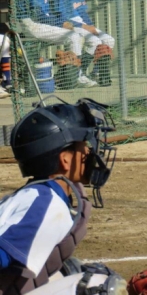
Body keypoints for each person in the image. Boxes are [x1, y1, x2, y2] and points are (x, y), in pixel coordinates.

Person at [0, 98, 125, 294]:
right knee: (99, 287)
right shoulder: (45, 204)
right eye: (84, 144)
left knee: (70, 271)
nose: (90, 151)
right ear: (65, 160)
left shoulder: (43, 195)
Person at [17, 0, 97, 88]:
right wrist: (61, 23)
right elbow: (40, 16)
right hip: (31, 24)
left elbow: (46, 16)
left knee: (76, 35)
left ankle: (67, 76)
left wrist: (62, 23)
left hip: (38, 24)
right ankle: (75, 77)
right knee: (73, 37)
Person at [55, 0, 115, 87]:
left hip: (82, 23)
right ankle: (79, 74)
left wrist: (91, 26)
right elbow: (62, 17)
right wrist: (84, 26)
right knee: (94, 41)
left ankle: (96, 73)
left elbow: (82, 13)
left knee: (109, 40)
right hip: (70, 24)